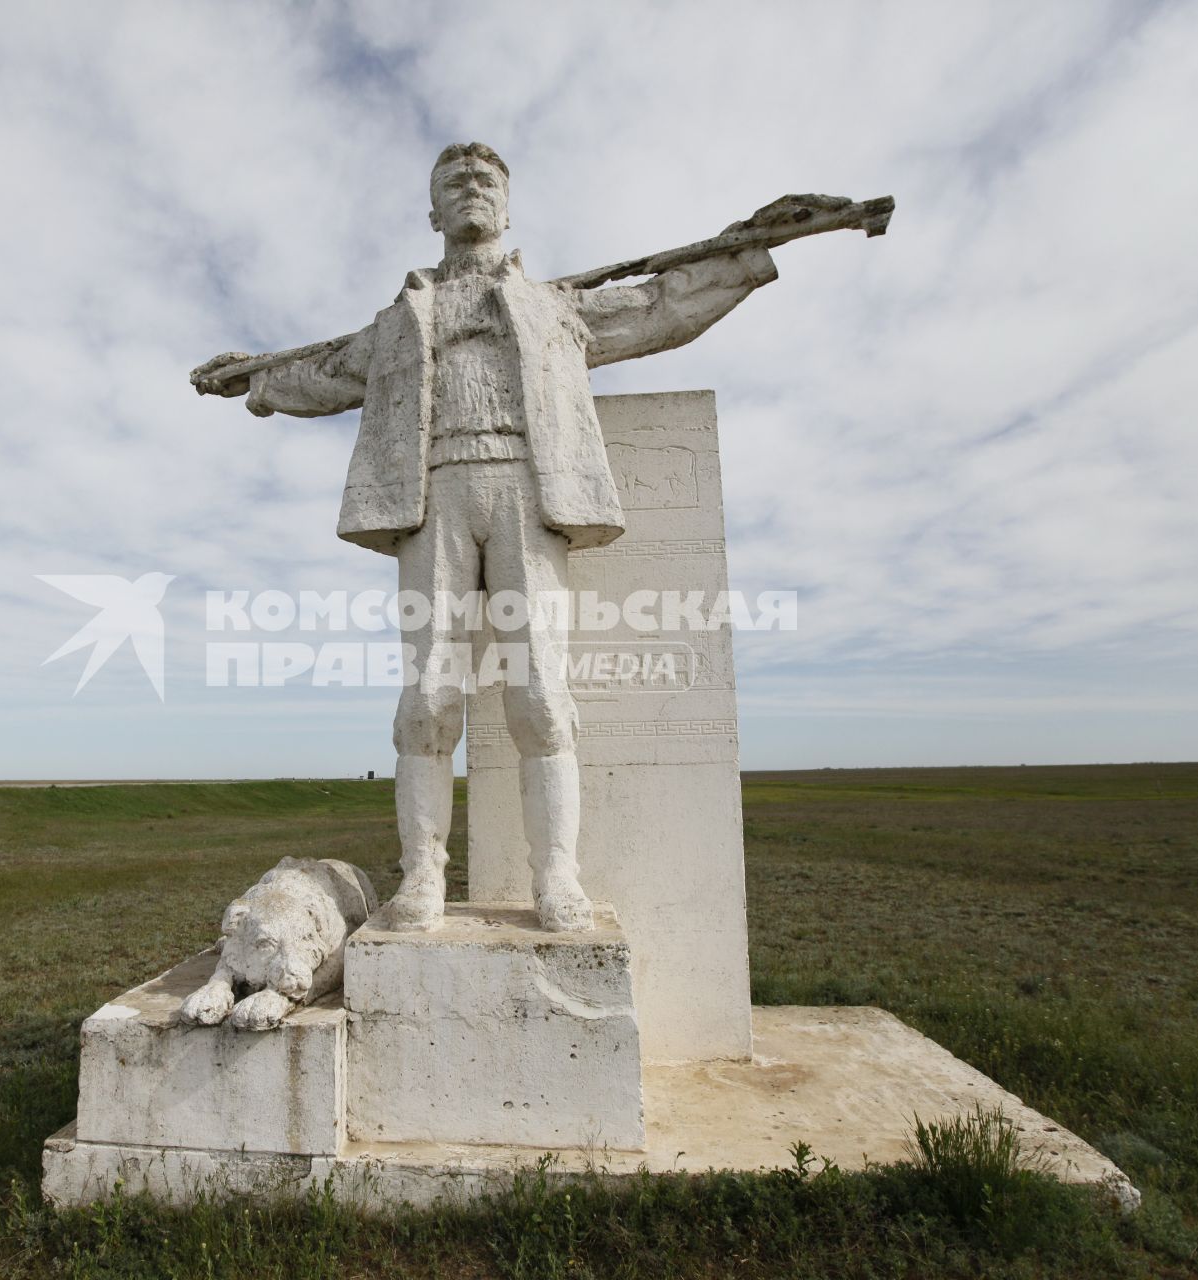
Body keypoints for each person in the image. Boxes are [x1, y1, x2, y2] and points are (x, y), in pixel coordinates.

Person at [194, 142, 777, 932]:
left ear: (506, 206)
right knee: (429, 697)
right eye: (453, 183)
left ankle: (556, 877)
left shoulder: (555, 305)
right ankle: (423, 878)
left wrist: (744, 257)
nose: (471, 190)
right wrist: (259, 381)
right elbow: (327, 371)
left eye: (485, 181)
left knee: (539, 694)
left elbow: (656, 308)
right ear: (434, 212)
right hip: (432, 495)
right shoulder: (402, 318)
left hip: (524, 493)